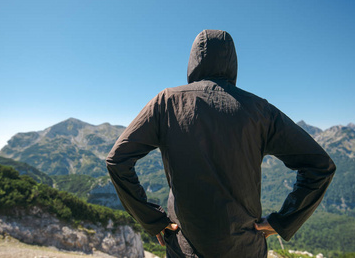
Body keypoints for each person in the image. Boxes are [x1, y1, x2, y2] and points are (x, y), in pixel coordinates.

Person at [106, 30, 336, 258]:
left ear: (193, 61)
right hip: (245, 248)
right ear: (232, 63)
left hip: (185, 248)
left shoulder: (167, 102)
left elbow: (117, 161)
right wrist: (283, 222)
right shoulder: (260, 111)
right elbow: (320, 166)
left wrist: (152, 219)